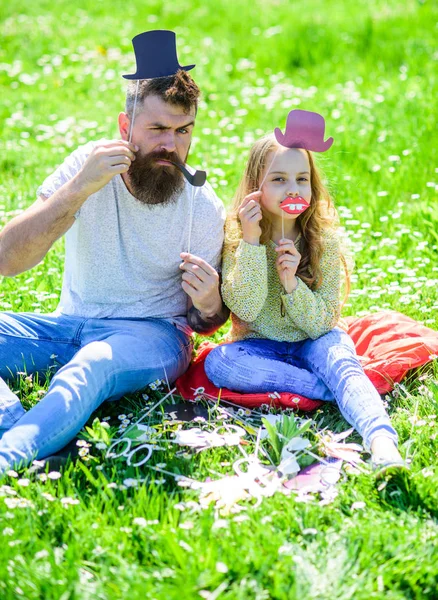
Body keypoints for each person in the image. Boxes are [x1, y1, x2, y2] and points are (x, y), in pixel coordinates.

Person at [0, 30, 228, 474]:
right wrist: (76, 191)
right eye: (158, 128)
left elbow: (207, 322)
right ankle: (28, 429)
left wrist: (209, 302)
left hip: (153, 336)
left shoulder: (203, 206)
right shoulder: (86, 166)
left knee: (94, 365)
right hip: (69, 327)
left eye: (184, 131)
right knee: (84, 356)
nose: (171, 145)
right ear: (126, 129)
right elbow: (8, 260)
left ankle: (7, 460)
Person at [204, 124, 405, 470]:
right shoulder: (238, 235)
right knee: (218, 364)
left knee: (339, 356)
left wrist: (292, 286)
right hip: (257, 345)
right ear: (256, 188)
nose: (292, 189)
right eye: (279, 180)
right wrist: (252, 242)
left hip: (313, 339)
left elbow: (323, 321)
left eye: (302, 179)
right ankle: (333, 389)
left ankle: (381, 440)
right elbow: (247, 307)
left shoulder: (321, 238)